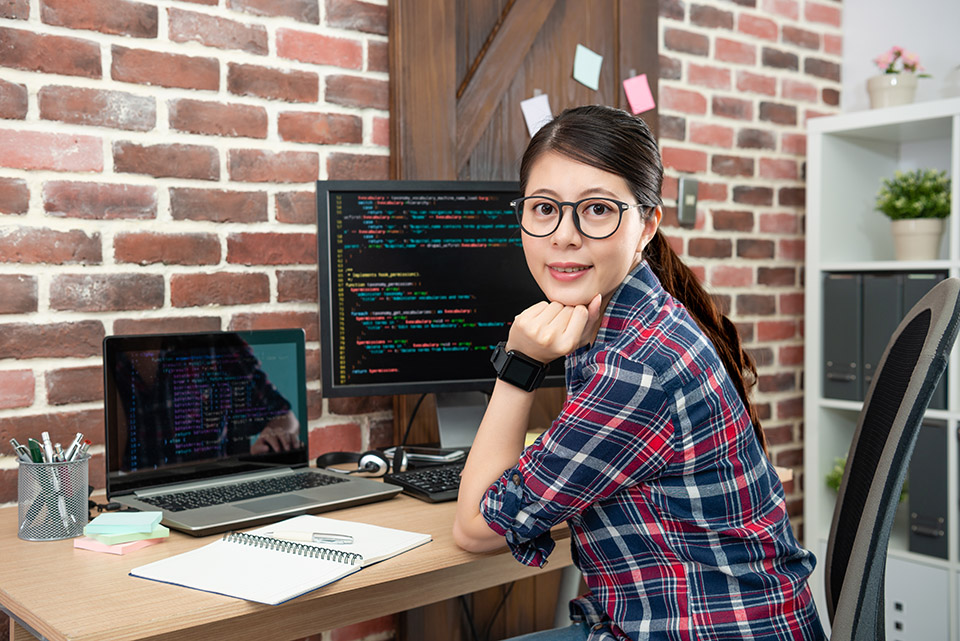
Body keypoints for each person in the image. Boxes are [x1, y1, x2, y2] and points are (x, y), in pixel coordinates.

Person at [452, 105, 825, 640]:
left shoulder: (636, 367)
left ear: (648, 224)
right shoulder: (635, 319)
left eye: (598, 210)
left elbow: (474, 528)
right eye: (543, 209)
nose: (564, 235)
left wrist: (520, 364)